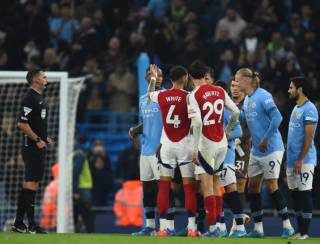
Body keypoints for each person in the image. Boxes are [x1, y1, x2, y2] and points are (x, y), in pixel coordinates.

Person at [235, 68, 295, 237]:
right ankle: (258, 229)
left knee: (271, 186)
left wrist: (265, 138)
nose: (236, 83)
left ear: (246, 80)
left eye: (237, 80)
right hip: (257, 151)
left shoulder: (264, 95)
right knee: (253, 187)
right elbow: (242, 119)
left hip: (272, 148)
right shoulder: (247, 100)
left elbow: (278, 118)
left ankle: (287, 226)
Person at [187, 61, 240, 237]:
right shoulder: (219, 90)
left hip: (206, 144)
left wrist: (195, 149)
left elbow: (197, 122)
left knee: (207, 186)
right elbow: (236, 112)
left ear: (191, 76)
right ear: (204, 75)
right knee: (217, 184)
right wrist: (227, 130)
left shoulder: (193, 95)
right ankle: (219, 226)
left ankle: (212, 229)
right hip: (222, 143)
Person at [148, 64, 198, 237]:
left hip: (167, 145)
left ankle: (163, 228)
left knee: (163, 187)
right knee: (189, 188)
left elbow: (149, 94)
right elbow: (195, 122)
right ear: (184, 78)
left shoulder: (161, 95)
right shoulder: (189, 97)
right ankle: (192, 228)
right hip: (185, 144)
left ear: (170, 79)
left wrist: (154, 78)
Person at [12, 69, 53, 234]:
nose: (46, 79)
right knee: (32, 183)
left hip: (36, 145)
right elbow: (21, 124)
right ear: (36, 80)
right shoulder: (29, 98)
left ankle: (18, 223)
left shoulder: (38, 97)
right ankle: (32, 225)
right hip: (31, 147)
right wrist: (37, 140)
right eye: (43, 77)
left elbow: (34, 122)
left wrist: (45, 136)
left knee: (31, 183)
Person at [128, 66, 163, 236]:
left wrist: (164, 143)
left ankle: (164, 226)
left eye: (161, 75)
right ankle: (149, 226)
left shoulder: (165, 97)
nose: (159, 77)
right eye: (155, 75)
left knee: (163, 188)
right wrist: (136, 129)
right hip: (146, 150)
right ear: (146, 78)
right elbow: (148, 122)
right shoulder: (143, 99)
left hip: (161, 150)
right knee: (147, 188)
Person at [287, 77, 318, 240]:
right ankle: (299, 231)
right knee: (295, 195)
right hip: (292, 160)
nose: (289, 90)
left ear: (299, 89)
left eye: (291, 87)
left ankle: (305, 232)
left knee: (305, 193)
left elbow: (308, 137)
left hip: (304, 160)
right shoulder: (296, 108)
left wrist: (301, 160)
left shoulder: (310, 109)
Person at [214, 81, 246, 238]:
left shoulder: (227, 110)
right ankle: (221, 227)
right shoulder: (214, 110)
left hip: (226, 157)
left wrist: (224, 136)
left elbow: (239, 131)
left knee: (231, 190)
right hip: (214, 157)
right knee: (216, 191)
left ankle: (240, 227)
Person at [230, 78, 251, 208]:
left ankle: (238, 224)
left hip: (242, 149)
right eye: (232, 86)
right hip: (226, 149)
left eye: (238, 86)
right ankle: (218, 223)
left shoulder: (248, 105)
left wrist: (240, 138)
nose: (235, 88)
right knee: (221, 184)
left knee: (240, 183)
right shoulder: (227, 103)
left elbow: (252, 127)